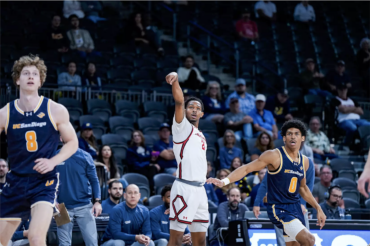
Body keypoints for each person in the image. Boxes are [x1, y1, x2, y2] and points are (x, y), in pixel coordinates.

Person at [0, 54, 78, 246]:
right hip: (16, 181)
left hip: (43, 182)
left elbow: (72, 142)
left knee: (35, 237)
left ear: (40, 80)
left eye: (35, 73)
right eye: (25, 73)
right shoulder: (5, 113)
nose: (30, 76)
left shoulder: (55, 109)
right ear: (17, 79)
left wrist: (52, 161)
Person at [207, 120, 326, 246]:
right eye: (289, 133)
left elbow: (302, 188)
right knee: (310, 240)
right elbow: (247, 168)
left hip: (295, 207)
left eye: (297, 133)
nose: (293, 136)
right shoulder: (274, 155)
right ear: (284, 138)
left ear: (302, 138)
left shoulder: (305, 161)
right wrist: (225, 181)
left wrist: (318, 208)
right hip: (279, 208)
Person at [165, 72, 209, 246]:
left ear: (202, 114)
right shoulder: (181, 127)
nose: (194, 110)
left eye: (198, 108)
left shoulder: (201, 135)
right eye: (191, 107)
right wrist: (175, 81)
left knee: (200, 240)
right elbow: (179, 100)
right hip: (184, 188)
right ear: (185, 111)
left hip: (200, 190)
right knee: (175, 239)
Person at [252, 141, 315, 246]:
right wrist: (256, 203)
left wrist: (303, 203)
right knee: (283, 241)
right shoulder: (278, 162)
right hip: (280, 206)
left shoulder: (307, 162)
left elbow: (309, 185)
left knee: (305, 240)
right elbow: (264, 184)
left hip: (298, 205)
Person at [56, 146, 102, 246]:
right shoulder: (55, 156)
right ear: (60, 138)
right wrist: (53, 200)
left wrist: (97, 201)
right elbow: (49, 181)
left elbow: (94, 180)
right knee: (63, 244)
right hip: (61, 207)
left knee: (92, 243)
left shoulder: (85, 156)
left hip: (84, 205)